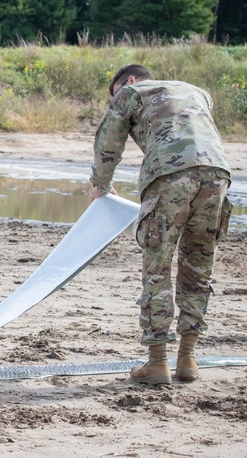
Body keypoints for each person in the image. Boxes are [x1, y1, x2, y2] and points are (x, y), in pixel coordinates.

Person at [90, 64, 232, 385]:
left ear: (129, 81)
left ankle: (157, 362)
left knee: (158, 267)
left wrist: (100, 185)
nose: (116, 98)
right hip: (217, 175)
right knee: (198, 267)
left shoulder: (129, 93)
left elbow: (108, 141)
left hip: (169, 174)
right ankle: (187, 360)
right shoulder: (198, 92)